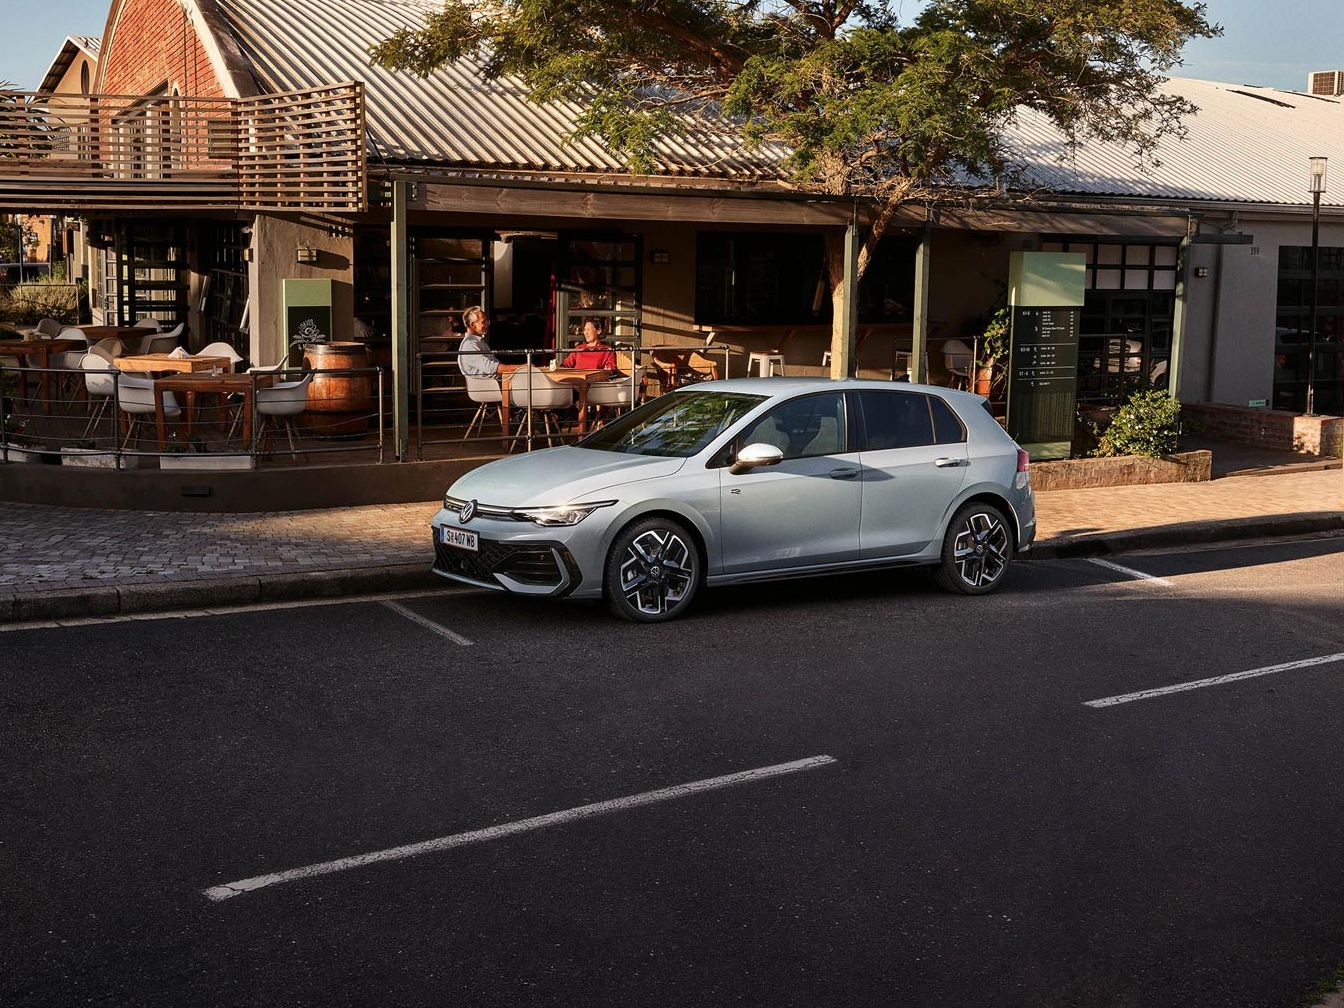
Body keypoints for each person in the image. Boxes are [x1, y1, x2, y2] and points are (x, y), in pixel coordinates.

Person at [457, 306, 499, 377]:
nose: (487, 324)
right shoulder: (469, 345)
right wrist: (520, 368)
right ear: (472, 325)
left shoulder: (478, 342)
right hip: (487, 385)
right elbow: (492, 367)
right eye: (483, 322)